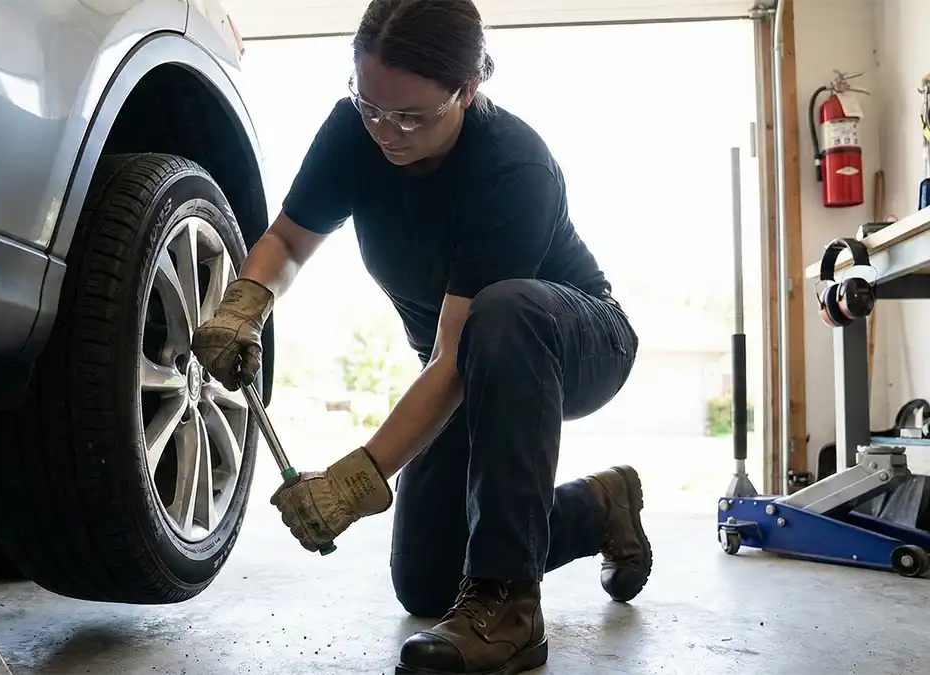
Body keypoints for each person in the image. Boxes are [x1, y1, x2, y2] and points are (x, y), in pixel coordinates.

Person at [191, 0, 650, 672]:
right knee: (428, 581)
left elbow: (454, 358)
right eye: (371, 105)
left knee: (503, 312)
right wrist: (245, 302)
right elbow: (289, 238)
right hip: (464, 360)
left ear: (467, 90)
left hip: (574, 340)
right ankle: (598, 506)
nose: (386, 132)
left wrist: (356, 479)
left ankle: (512, 607)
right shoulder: (355, 131)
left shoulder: (512, 166)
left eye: (411, 116)